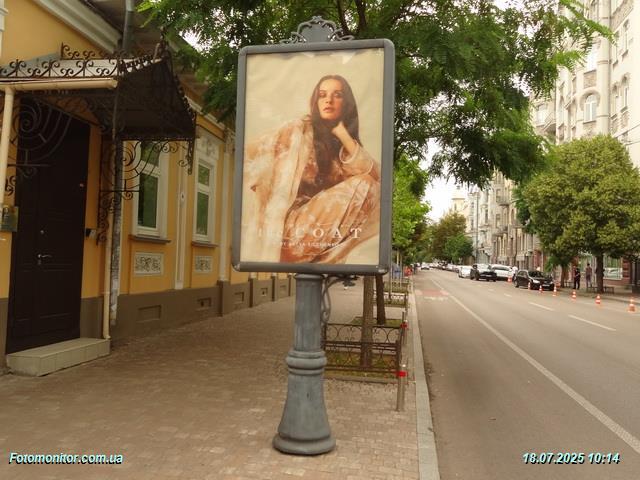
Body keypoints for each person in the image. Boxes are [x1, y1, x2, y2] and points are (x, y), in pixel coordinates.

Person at [241, 74, 380, 264]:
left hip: (316, 232)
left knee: (370, 184)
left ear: (346, 103)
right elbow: (248, 154)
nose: (328, 100)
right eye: (322, 95)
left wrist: (343, 134)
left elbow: (376, 177)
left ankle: (323, 261)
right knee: (365, 183)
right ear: (316, 101)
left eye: (337, 95)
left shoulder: (341, 148)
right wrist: (264, 191)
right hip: (287, 230)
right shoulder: (297, 130)